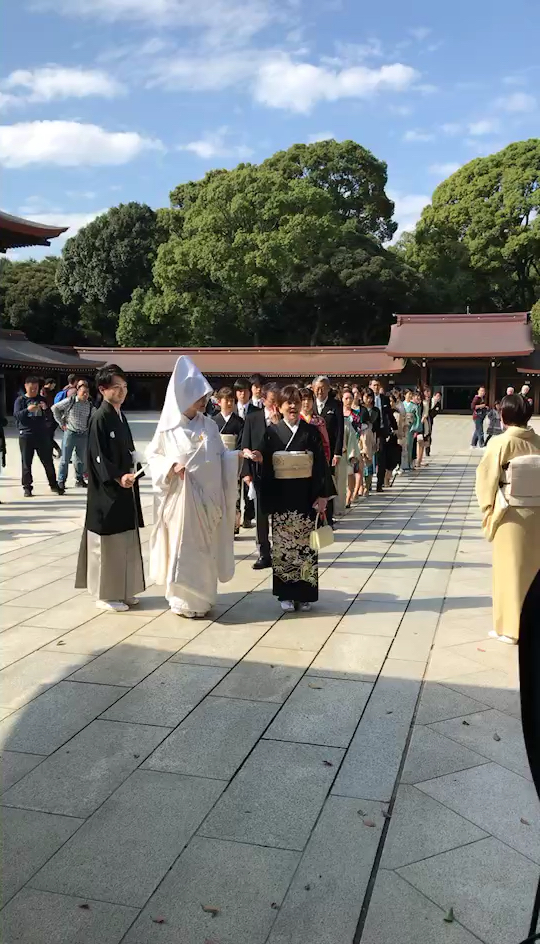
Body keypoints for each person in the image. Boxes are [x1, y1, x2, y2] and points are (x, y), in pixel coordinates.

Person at [146, 356, 240, 619]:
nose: (204, 401)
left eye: (205, 396)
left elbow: (222, 455)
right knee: (182, 548)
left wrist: (238, 457)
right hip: (180, 502)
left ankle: (205, 597)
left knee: (206, 549)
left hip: (207, 502)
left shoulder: (209, 425)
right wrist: (170, 468)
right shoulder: (168, 430)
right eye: (199, 396)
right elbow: (152, 457)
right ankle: (181, 600)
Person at [253, 385, 332, 613]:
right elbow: (265, 461)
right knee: (284, 547)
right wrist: (259, 459)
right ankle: (286, 594)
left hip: (305, 496)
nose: (294, 406)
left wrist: (322, 495)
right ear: (280, 406)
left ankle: (305, 594)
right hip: (282, 498)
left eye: (297, 402)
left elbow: (320, 466)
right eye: (289, 403)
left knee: (306, 547)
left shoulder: (310, 432)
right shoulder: (272, 432)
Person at [75, 365, 144, 612]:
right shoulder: (99, 417)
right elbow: (97, 456)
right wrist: (117, 477)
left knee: (124, 538)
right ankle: (105, 594)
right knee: (106, 542)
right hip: (106, 491)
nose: (122, 391)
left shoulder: (120, 415)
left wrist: (137, 461)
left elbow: (127, 449)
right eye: (116, 387)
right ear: (103, 389)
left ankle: (123, 590)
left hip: (125, 485)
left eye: (124, 386)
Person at [476, 395, 540, 644]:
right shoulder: (537, 441)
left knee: (509, 569)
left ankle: (511, 628)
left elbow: (487, 478)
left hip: (511, 512)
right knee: (533, 570)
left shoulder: (500, 443)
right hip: (537, 511)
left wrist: (488, 507)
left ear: (504, 416)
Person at [241, 382, 280, 569]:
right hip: (258, 473)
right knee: (261, 515)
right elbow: (244, 445)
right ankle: (264, 552)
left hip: (280, 473)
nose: (275, 405)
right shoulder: (252, 418)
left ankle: (281, 550)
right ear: (263, 400)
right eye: (272, 401)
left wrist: (277, 424)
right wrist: (246, 473)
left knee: (279, 515)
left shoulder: (282, 419)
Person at [14, 376, 63, 498]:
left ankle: (53, 484)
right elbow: (17, 416)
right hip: (26, 435)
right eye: (31, 388)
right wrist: (28, 410)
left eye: (36, 388)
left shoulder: (42, 399)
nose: (34, 391)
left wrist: (46, 409)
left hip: (42, 435)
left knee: (48, 461)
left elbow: (50, 416)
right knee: (26, 463)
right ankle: (27, 487)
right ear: (26, 387)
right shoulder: (20, 400)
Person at [212, 386, 244, 535]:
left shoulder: (239, 422)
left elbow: (241, 443)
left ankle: (234, 524)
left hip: (233, 459)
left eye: (232, 401)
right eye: (227, 400)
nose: (230, 404)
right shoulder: (212, 421)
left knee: (234, 492)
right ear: (219, 402)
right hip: (217, 460)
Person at [53, 379, 95, 489]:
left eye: (87, 392)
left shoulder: (89, 405)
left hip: (83, 434)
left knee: (81, 459)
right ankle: (61, 480)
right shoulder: (70, 401)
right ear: (78, 392)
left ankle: (79, 479)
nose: (85, 395)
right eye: (83, 392)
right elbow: (55, 408)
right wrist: (61, 423)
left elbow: (96, 417)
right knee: (65, 459)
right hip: (70, 433)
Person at [313, 375, 344, 526]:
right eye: (317, 388)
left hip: (329, 451)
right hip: (313, 451)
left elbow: (340, 431)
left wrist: (337, 452)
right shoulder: (309, 404)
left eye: (323, 388)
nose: (320, 391)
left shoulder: (335, 405)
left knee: (328, 481)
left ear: (328, 389)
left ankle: (328, 517)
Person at [234, 378, 259, 526]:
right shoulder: (231, 410)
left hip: (250, 454)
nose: (242, 394)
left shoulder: (256, 412)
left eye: (245, 390)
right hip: (233, 455)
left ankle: (248, 516)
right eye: (239, 391)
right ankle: (235, 518)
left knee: (249, 485)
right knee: (234, 488)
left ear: (250, 392)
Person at [369, 378, 397, 491]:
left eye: (377, 385)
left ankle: (379, 483)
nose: (376, 387)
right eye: (374, 385)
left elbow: (389, 414)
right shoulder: (366, 398)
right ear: (370, 386)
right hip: (369, 430)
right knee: (368, 457)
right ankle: (368, 482)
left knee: (381, 456)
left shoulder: (384, 399)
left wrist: (394, 428)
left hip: (381, 431)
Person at [342, 389, 363, 506]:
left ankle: (350, 496)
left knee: (352, 472)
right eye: (346, 398)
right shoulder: (339, 413)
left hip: (353, 445)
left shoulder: (355, 415)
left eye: (350, 398)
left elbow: (358, 431)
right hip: (342, 445)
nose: (348, 400)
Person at [299, 387, 331, 462]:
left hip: (317, 457)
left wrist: (326, 459)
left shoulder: (319, 420)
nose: (306, 402)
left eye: (309, 399)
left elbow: (325, 442)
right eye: (303, 399)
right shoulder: (295, 420)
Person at [361, 389, 380, 493]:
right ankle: (361, 485)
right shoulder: (361, 409)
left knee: (370, 462)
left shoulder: (376, 410)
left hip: (372, 436)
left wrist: (377, 440)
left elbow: (377, 427)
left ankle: (368, 485)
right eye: (366, 396)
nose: (368, 399)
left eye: (370, 397)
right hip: (361, 437)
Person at [40, 378, 61, 457]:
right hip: (48, 417)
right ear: (50, 383)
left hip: (50, 416)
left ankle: (52, 451)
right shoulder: (44, 391)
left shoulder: (48, 392)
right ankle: (56, 450)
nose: (54, 387)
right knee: (49, 436)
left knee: (49, 436)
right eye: (53, 385)